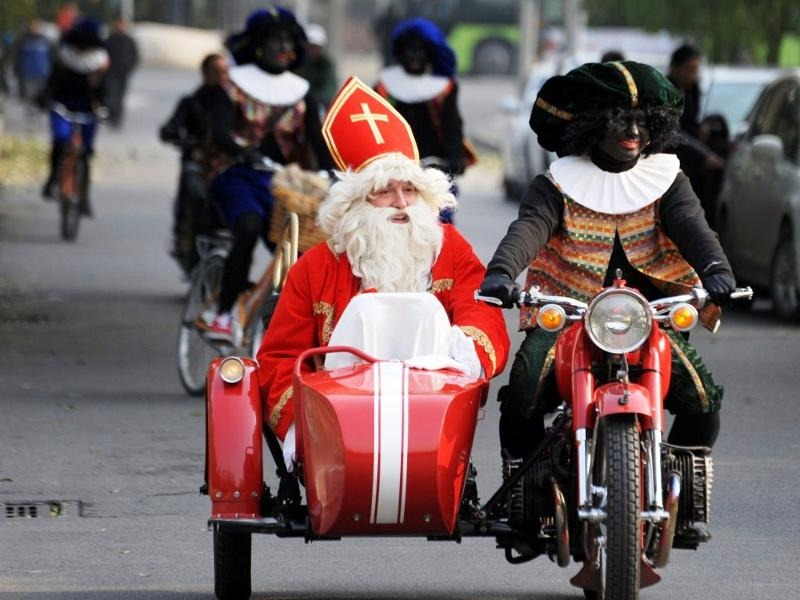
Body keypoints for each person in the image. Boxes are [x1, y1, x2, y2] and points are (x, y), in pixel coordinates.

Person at [478, 61, 736, 539]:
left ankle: (683, 503)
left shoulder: (668, 179)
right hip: (568, 313)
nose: (633, 132)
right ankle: (526, 501)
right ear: (592, 126)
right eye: (620, 120)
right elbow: (528, 229)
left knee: (701, 399)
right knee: (524, 391)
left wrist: (717, 271)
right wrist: (501, 273)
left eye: (642, 121)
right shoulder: (557, 182)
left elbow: (694, 228)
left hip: (649, 317)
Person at [256, 76, 510, 466]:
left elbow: (482, 312)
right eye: (385, 191)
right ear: (355, 203)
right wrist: (303, 427)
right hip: (340, 429)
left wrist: (461, 356)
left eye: (409, 190)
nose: (401, 203)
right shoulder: (316, 266)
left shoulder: (449, 247)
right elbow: (279, 357)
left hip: (433, 415)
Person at [204, 7, 334, 341]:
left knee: (299, 250)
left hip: (284, 182)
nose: (283, 47)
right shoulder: (233, 84)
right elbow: (218, 132)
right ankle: (223, 313)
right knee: (248, 226)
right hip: (237, 175)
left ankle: (288, 323)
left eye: (289, 41)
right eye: (276, 39)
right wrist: (241, 151)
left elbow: (317, 138)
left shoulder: (301, 90)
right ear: (258, 44)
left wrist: (333, 171)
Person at [374, 18, 474, 223]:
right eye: (409, 50)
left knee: (442, 221)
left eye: (420, 50)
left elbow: (452, 125)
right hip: (393, 167)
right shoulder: (384, 86)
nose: (414, 56)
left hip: (434, 167)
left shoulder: (444, 88)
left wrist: (453, 159)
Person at [159, 53, 229, 273]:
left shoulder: (234, 103)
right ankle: (184, 235)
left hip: (224, 165)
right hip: (197, 162)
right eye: (216, 72)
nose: (222, 76)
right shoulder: (191, 102)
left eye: (225, 72)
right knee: (193, 189)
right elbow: (169, 129)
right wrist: (186, 142)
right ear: (205, 73)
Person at [40, 18, 109, 217]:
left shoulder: (100, 62)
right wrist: (44, 98)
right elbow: (52, 83)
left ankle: (84, 197)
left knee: (86, 152)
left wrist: (105, 107)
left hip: (88, 110)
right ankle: (53, 179)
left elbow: (105, 90)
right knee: (61, 142)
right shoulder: (63, 57)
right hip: (62, 106)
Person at [667, 44, 725, 223]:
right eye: (689, 69)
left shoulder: (692, 92)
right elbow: (673, 131)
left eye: (696, 70)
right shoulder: (665, 92)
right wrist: (703, 154)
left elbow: (690, 124)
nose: (693, 75)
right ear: (676, 69)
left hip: (690, 160)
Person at [292, 23, 337, 111]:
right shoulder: (298, 62)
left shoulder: (326, 64)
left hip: (319, 104)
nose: (312, 50)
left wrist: (312, 100)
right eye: (310, 47)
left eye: (316, 47)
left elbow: (329, 88)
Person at [103, 18, 139, 128]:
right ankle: (111, 116)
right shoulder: (110, 39)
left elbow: (135, 57)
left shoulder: (129, 40)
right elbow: (104, 54)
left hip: (123, 73)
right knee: (110, 94)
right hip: (110, 73)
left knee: (120, 96)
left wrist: (129, 68)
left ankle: (117, 118)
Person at [13, 19, 52, 108]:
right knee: (26, 100)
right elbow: (17, 56)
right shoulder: (23, 40)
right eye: (32, 26)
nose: (34, 28)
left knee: (40, 100)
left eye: (36, 26)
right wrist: (17, 69)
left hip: (42, 74)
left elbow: (51, 57)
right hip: (26, 74)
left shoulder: (45, 41)